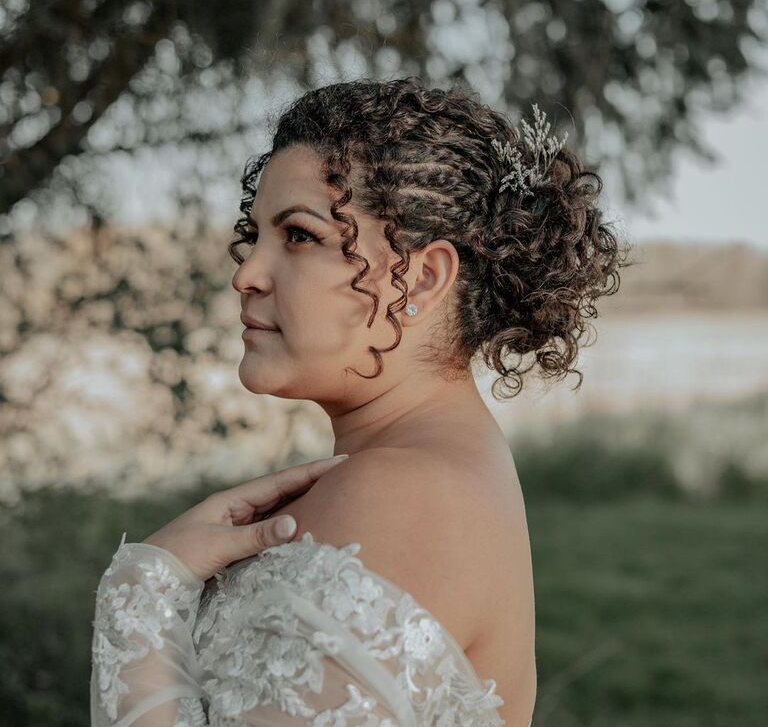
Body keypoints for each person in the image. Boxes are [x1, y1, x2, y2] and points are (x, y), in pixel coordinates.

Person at [90, 76, 630, 726]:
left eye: (298, 236)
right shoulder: (445, 468)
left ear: (423, 279)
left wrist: (142, 594)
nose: (246, 274)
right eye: (254, 233)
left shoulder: (403, 493)